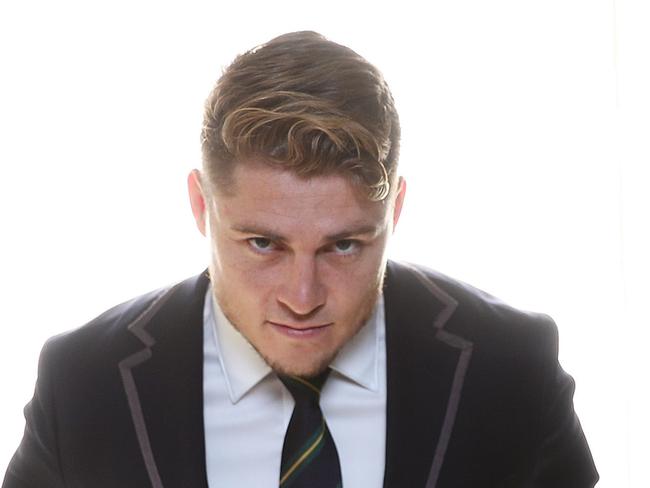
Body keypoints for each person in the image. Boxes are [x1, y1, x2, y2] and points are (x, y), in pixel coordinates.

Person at [3, 31, 598, 488]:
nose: (303, 295)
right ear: (200, 206)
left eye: (344, 245)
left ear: (394, 214)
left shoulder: (510, 368)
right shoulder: (84, 382)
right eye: (264, 244)